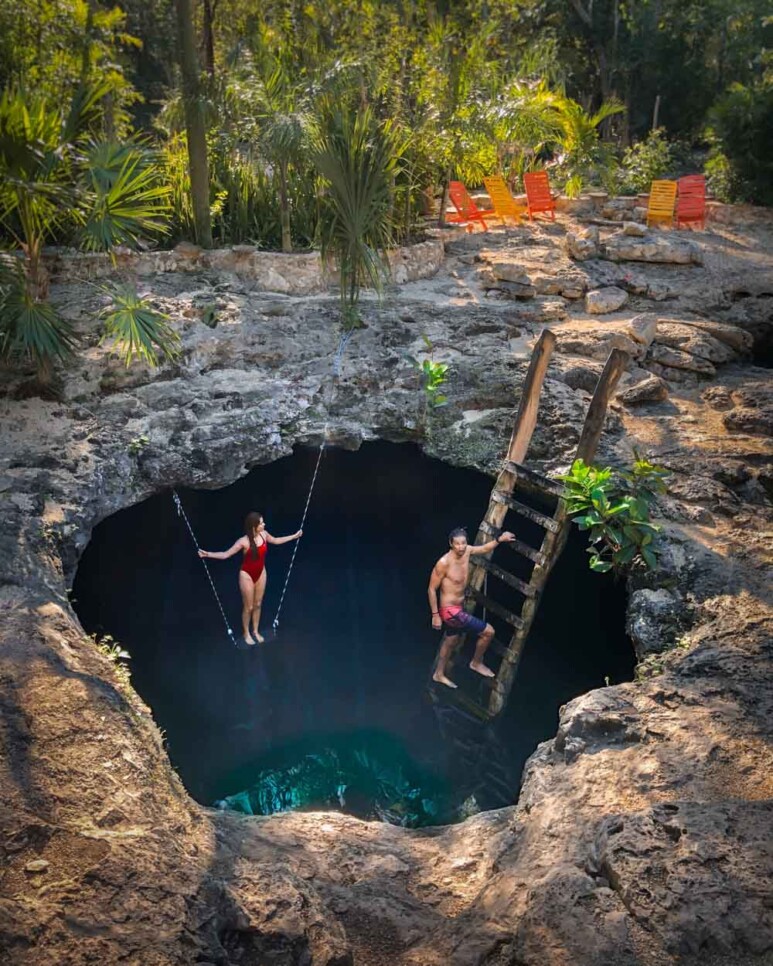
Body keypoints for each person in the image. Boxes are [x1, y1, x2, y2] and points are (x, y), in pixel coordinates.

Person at [427, 526, 515, 689]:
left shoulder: (467, 551)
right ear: (450, 544)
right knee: (488, 632)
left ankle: (438, 674)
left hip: (458, 609)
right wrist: (435, 614)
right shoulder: (444, 563)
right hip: (449, 612)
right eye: (457, 544)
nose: (461, 547)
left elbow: (483, 548)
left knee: (451, 641)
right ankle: (476, 662)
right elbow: (432, 588)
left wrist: (499, 540)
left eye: (463, 543)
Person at [199, 512, 302, 646]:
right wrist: (207, 554)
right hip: (246, 575)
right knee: (249, 607)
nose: (264, 524)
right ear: (254, 526)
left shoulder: (264, 534)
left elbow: (276, 540)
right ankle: (246, 633)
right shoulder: (244, 541)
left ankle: (255, 631)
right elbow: (225, 554)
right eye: (261, 523)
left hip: (261, 573)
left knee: (258, 604)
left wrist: (295, 536)